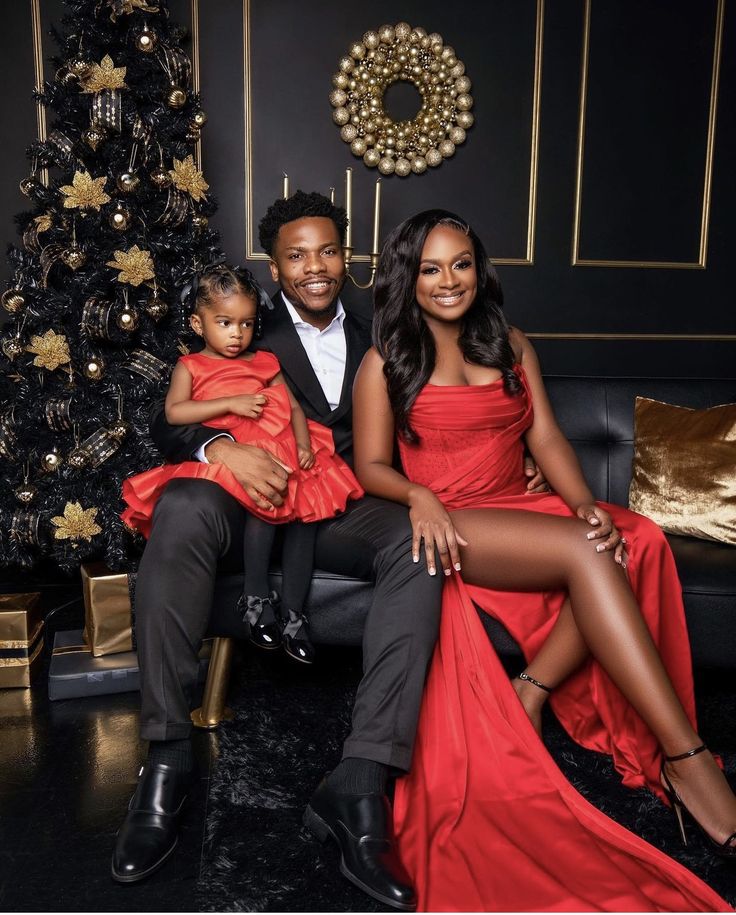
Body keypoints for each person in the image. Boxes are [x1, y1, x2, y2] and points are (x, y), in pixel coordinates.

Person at [111, 191, 547, 902]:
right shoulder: (244, 329)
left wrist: (516, 456)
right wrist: (221, 446)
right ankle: (165, 757)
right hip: (240, 493)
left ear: (349, 261)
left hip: (340, 501)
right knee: (183, 504)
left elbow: (450, 408)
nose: (314, 268)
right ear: (276, 271)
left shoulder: (392, 327)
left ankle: (359, 780)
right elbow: (170, 421)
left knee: (416, 545)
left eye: (328, 252)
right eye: (295, 256)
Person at [350, 208, 735, 911]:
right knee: (589, 551)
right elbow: (371, 464)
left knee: (633, 535)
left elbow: (550, 439)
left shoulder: (512, 343)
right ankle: (687, 754)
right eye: (430, 268)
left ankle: (533, 687)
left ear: (480, 268)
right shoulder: (384, 360)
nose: (448, 281)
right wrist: (420, 496)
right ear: (408, 278)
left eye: (460, 263)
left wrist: (586, 500)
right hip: (454, 520)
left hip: (516, 506)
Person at [120, 264, 364, 664]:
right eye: (225, 322)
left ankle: (295, 616)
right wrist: (230, 404)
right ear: (198, 324)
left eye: (247, 323)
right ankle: (255, 602)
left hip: (284, 449)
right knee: (264, 512)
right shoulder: (191, 366)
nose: (237, 333)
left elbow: (295, 409)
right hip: (239, 457)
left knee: (305, 523)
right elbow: (175, 413)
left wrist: (304, 445)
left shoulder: (264, 362)